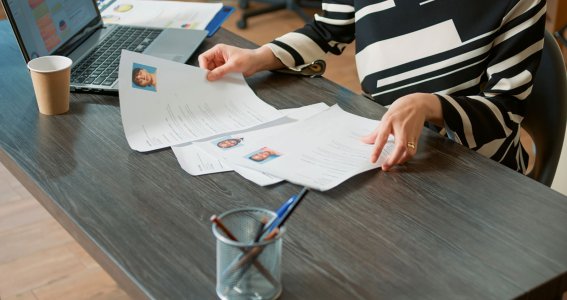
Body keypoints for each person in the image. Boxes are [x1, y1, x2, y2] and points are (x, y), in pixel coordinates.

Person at [198, 0, 546, 174]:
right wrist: (258, 57)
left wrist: (428, 105)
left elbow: (505, 111)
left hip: (475, 170)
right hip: (380, 150)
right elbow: (327, 30)